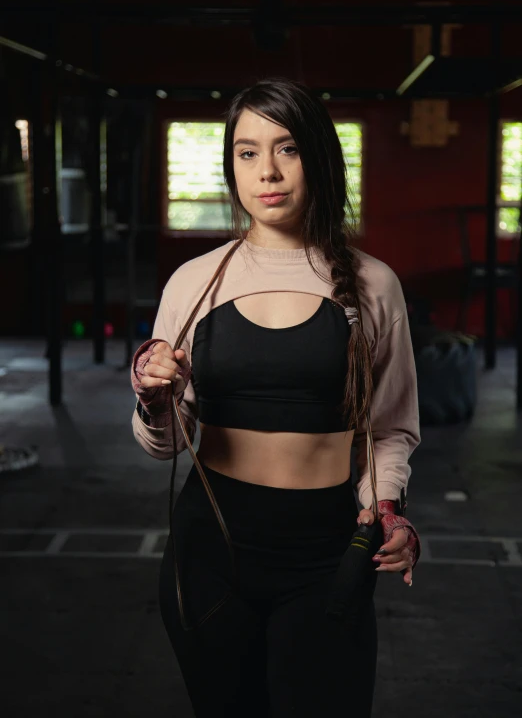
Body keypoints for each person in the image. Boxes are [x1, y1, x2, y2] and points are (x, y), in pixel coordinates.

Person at [131, 77, 421, 718]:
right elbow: (166, 443)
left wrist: (389, 511)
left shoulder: (374, 286)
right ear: (231, 164)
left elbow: (391, 428)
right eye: (247, 151)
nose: (267, 171)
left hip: (322, 552)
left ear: (317, 155)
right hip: (211, 548)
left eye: (287, 148)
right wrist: (155, 400)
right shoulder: (195, 281)